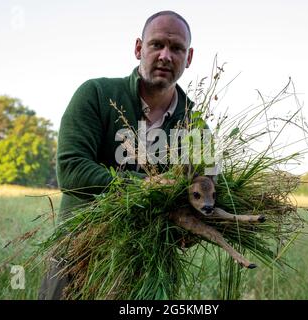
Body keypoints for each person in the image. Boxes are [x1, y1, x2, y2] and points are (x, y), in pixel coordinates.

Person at [38, 10, 194, 300]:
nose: (165, 56)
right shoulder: (96, 94)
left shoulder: (195, 125)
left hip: (148, 268)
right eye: (156, 44)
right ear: (138, 48)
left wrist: (192, 226)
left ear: (189, 57)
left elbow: (209, 187)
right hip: (77, 254)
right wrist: (144, 187)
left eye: (176, 48)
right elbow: (72, 170)